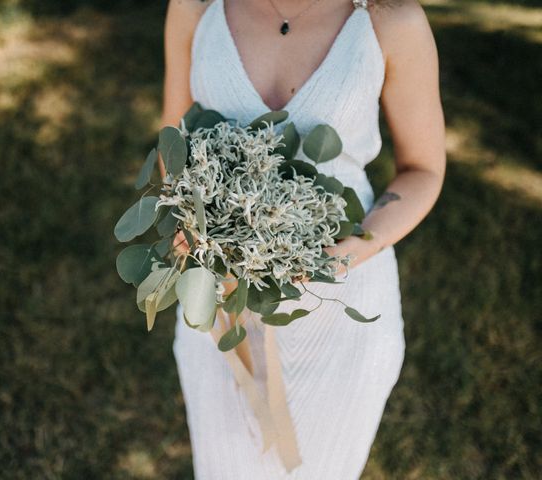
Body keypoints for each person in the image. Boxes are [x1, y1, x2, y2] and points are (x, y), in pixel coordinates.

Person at [159, 0, 446, 478]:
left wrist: (354, 249)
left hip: (338, 311)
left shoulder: (390, 20)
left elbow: (424, 169)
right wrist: (186, 219)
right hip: (222, 305)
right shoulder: (195, 5)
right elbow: (174, 135)